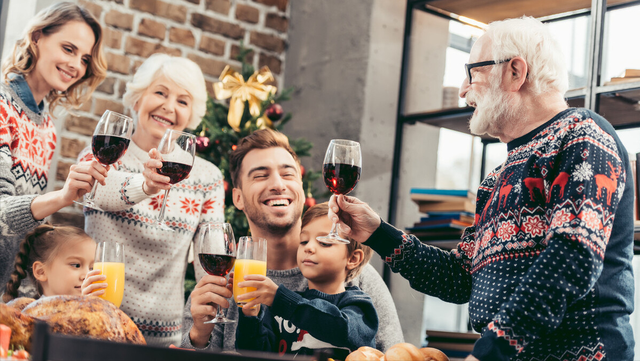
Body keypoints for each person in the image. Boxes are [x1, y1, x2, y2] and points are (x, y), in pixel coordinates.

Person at [329, 16, 635, 361]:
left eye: (473, 71)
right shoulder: (498, 177)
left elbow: (571, 258)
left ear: (515, 72)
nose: (462, 89)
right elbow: (460, 279)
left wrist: (490, 352)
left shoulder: (582, 135)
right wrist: (376, 233)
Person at [181, 128, 403, 352]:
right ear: (238, 198)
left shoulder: (353, 275)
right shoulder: (224, 282)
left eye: (288, 174)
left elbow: (398, 355)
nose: (278, 184)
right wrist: (199, 335)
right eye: (260, 175)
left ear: (302, 189)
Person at [78, 53, 224, 347]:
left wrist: (207, 323)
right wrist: (145, 186)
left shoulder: (207, 176)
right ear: (136, 99)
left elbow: (210, 259)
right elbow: (101, 193)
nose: (169, 107)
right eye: (160, 92)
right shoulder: (102, 153)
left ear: (191, 115)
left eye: (182, 101)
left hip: (166, 341)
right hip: (97, 327)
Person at [0, 2, 107, 295]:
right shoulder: (2, 105)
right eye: (68, 49)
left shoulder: (46, 126)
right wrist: (62, 197)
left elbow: (28, 229)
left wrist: (28, 296)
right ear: (37, 38)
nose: (76, 65)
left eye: (85, 58)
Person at [235, 202, 377, 359]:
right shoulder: (282, 306)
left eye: (324, 242)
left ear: (353, 258)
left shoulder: (358, 306)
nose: (308, 248)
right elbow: (253, 353)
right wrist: (251, 316)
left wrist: (281, 299)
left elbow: (341, 328)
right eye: (303, 241)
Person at [2, 224, 96, 302]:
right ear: (41, 271)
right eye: (76, 265)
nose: (87, 275)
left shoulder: (96, 311)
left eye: (91, 268)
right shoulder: (29, 315)